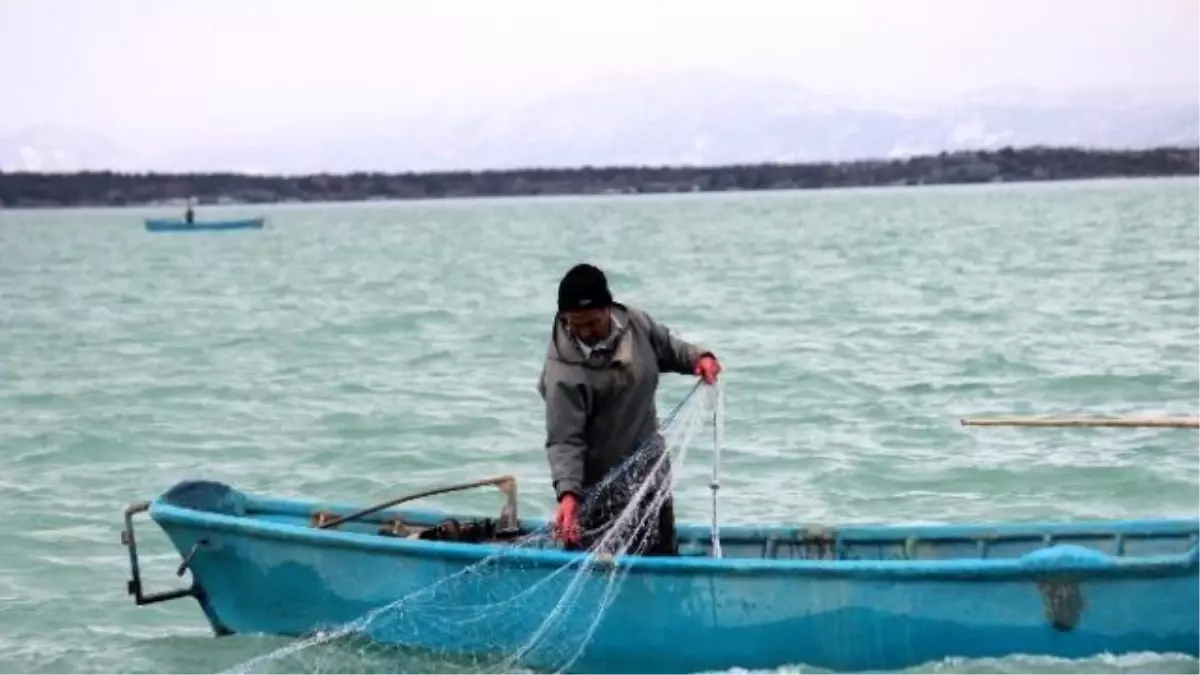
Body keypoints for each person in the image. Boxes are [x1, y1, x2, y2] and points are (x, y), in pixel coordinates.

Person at [537, 263, 721, 556]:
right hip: (597, 488)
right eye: (576, 324)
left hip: (648, 473)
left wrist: (699, 359)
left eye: (592, 322)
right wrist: (569, 495)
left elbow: (668, 348)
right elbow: (564, 440)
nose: (585, 332)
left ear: (608, 309)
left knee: (659, 556)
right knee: (596, 565)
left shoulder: (635, 323)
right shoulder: (563, 374)